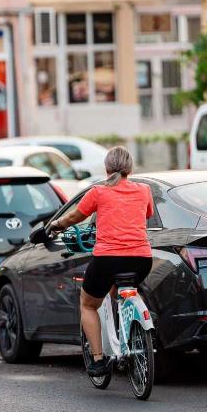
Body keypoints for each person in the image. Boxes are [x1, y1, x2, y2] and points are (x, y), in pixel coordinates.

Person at [49, 146, 154, 377]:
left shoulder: (99, 192)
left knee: (88, 303)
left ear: (106, 168)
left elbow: (76, 216)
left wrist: (56, 225)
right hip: (142, 258)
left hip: (108, 258)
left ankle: (98, 359)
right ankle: (130, 331)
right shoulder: (144, 190)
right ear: (130, 167)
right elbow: (147, 214)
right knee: (126, 290)